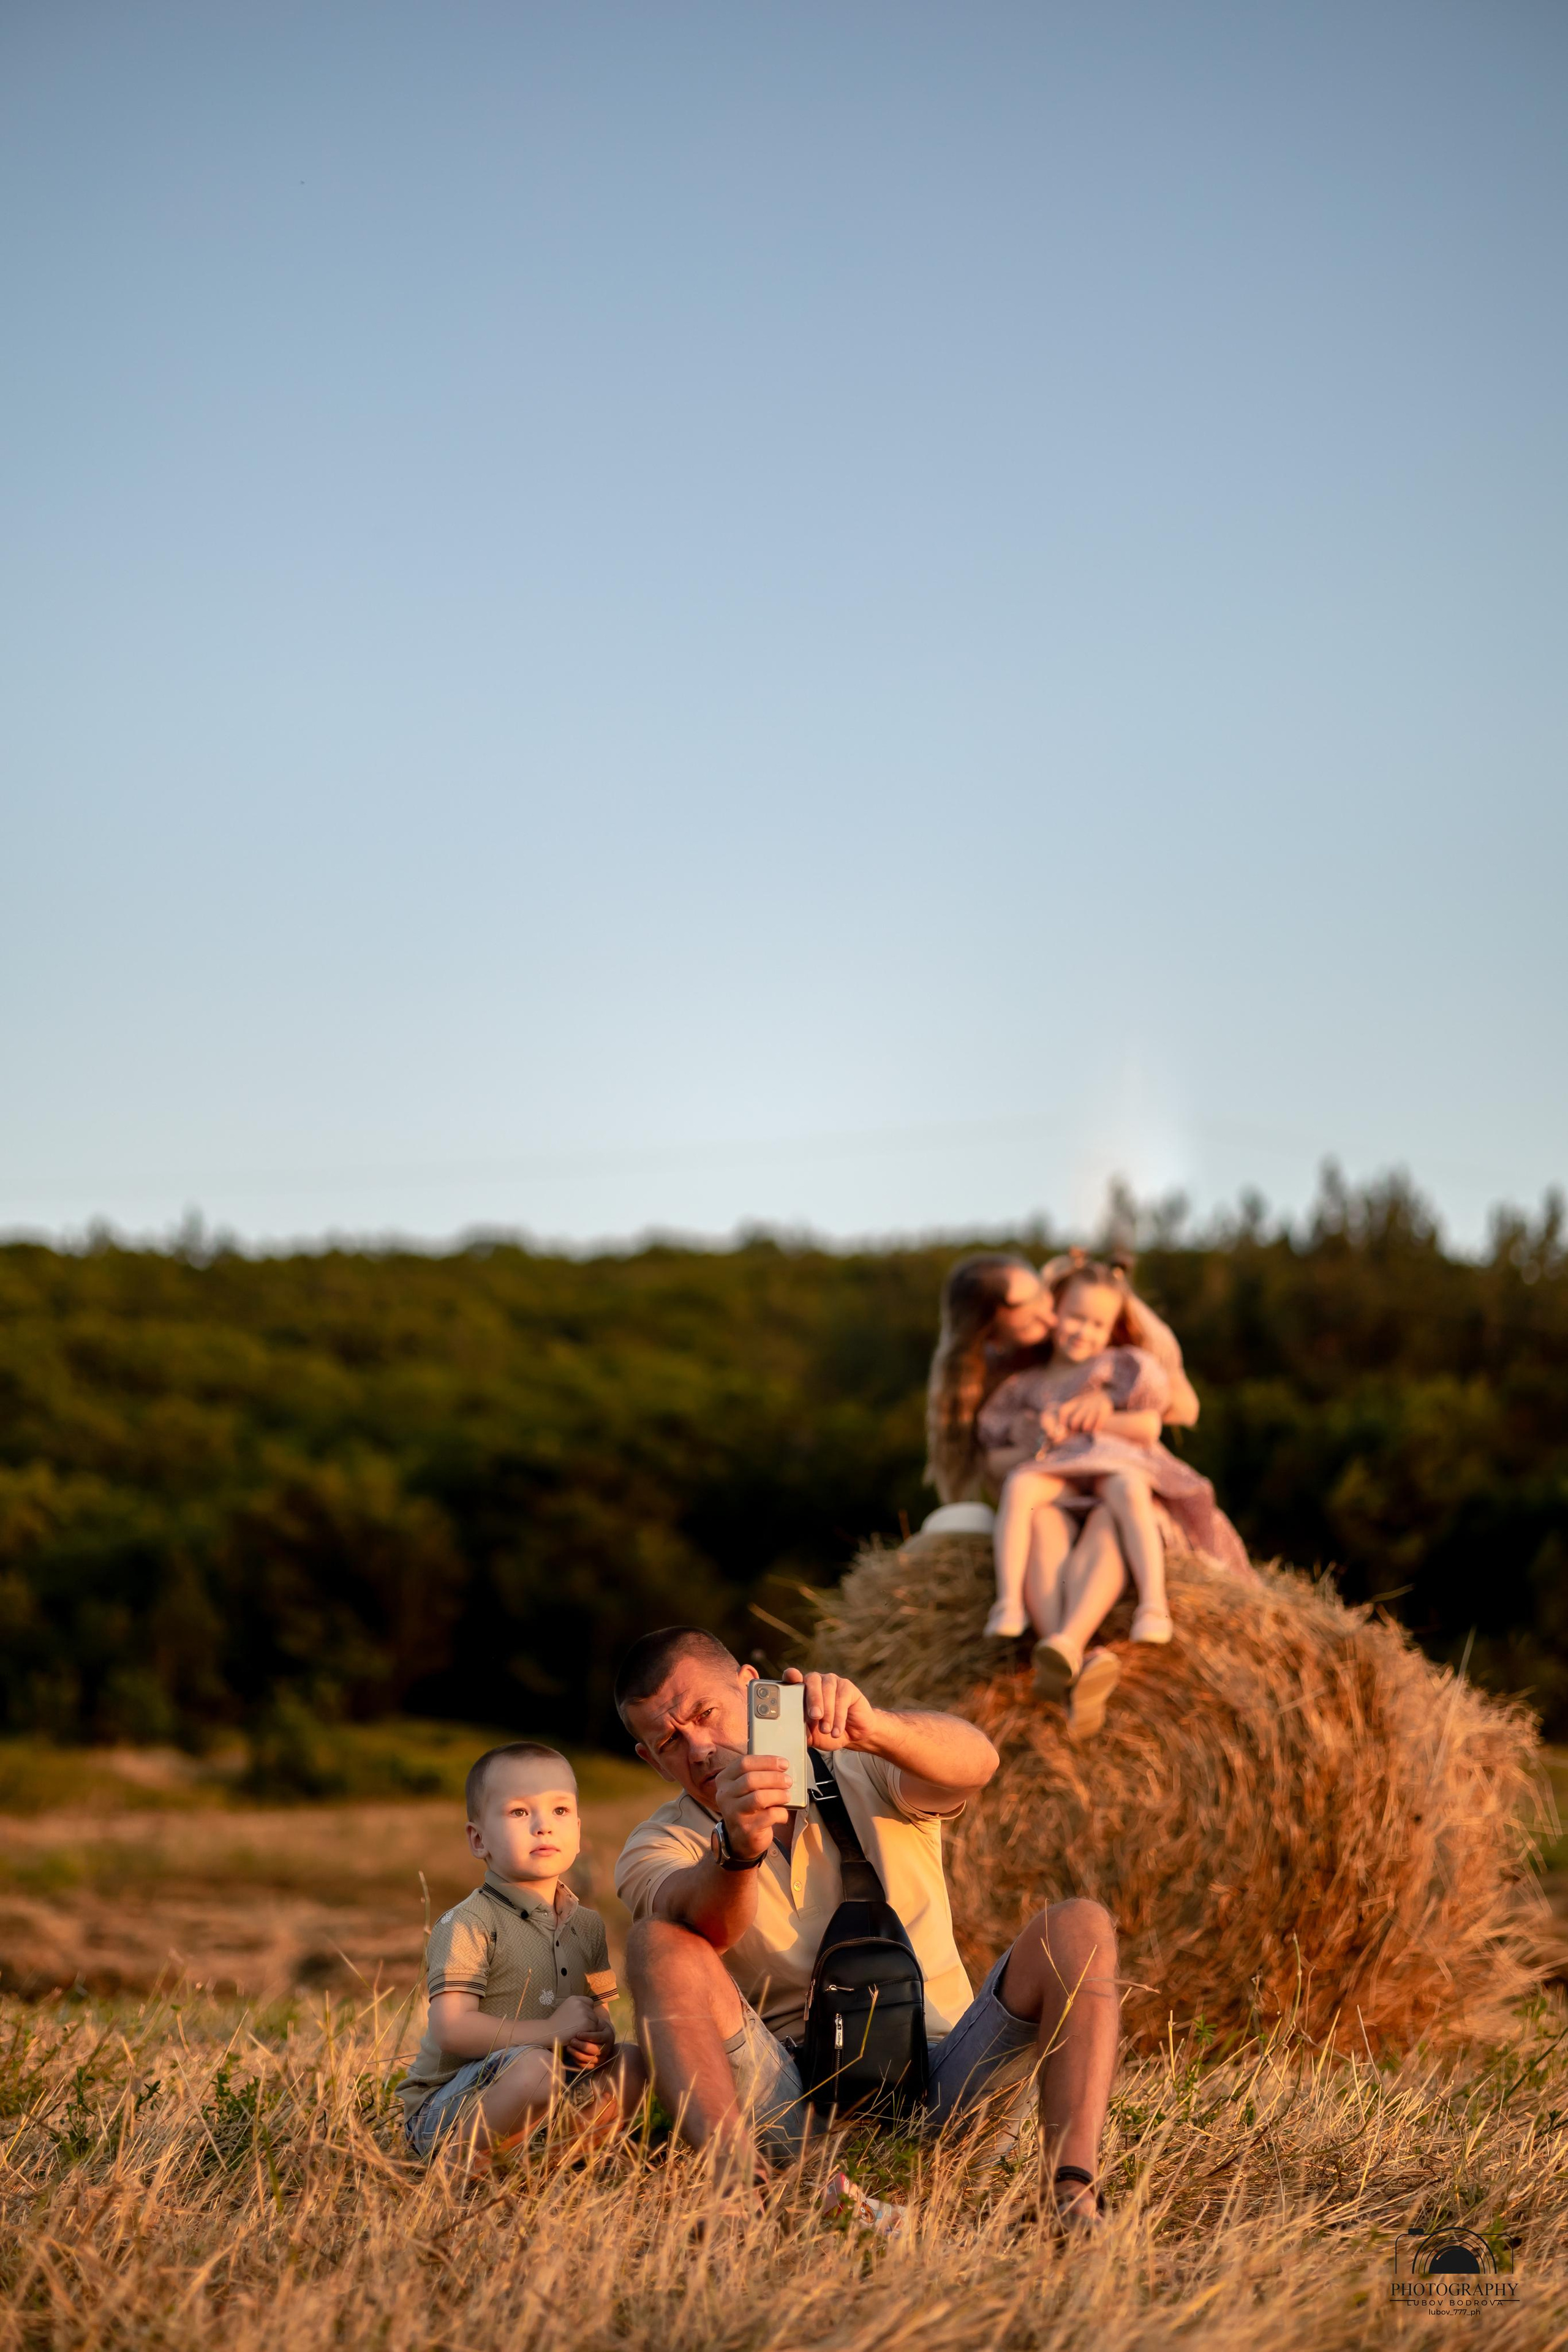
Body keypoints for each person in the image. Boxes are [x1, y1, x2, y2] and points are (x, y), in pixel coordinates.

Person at [614, 1627, 1119, 2230]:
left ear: (753, 1689)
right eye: (670, 1740)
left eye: (705, 1713)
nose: (697, 1748)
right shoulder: (655, 1844)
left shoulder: (863, 1765)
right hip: (792, 2109)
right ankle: (740, 2201)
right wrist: (736, 1851)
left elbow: (979, 1762)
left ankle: (1071, 2196)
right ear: (649, 1759)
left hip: (947, 2082)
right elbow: (702, 1922)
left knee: (1079, 1925)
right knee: (655, 1942)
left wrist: (874, 1728)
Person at [976, 1257, 1251, 1707]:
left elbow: (1149, 1425)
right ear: (1055, 1312)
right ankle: (1030, 1621)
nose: (1083, 1331)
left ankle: (1149, 1605)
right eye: (1076, 1317)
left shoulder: (1118, 1369)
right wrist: (1037, 1431)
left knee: (1125, 1494)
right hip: (1061, 1484)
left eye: (1097, 1324)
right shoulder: (1027, 1385)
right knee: (1030, 1503)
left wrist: (1103, 1412)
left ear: (1113, 1329)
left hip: (1111, 1477)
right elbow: (994, 1445)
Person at [399, 1740, 647, 2175]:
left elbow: (599, 2011)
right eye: (519, 1812)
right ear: (478, 1840)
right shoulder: (470, 1922)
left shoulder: (587, 1925)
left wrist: (599, 2038)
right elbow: (452, 2028)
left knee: (632, 2062)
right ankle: (456, 2171)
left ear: (578, 1827)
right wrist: (550, 2031)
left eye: (560, 1811)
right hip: (450, 2111)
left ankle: (554, 2167)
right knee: (536, 2068)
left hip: (549, 2092)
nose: (543, 1827)